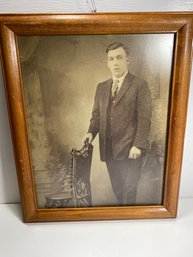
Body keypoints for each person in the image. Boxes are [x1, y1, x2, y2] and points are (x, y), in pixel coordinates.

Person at [83, 42, 152, 205]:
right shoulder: (101, 87)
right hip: (109, 150)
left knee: (129, 191)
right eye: (111, 59)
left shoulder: (139, 85)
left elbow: (145, 118)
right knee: (118, 191)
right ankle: (125, 219)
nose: (115, 62)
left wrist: (138, 145)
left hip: (131, 150)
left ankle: (129, 224)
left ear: (128, 60)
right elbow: (96, 116)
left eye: (119, 58)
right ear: (107, 63)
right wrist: (90, 133)